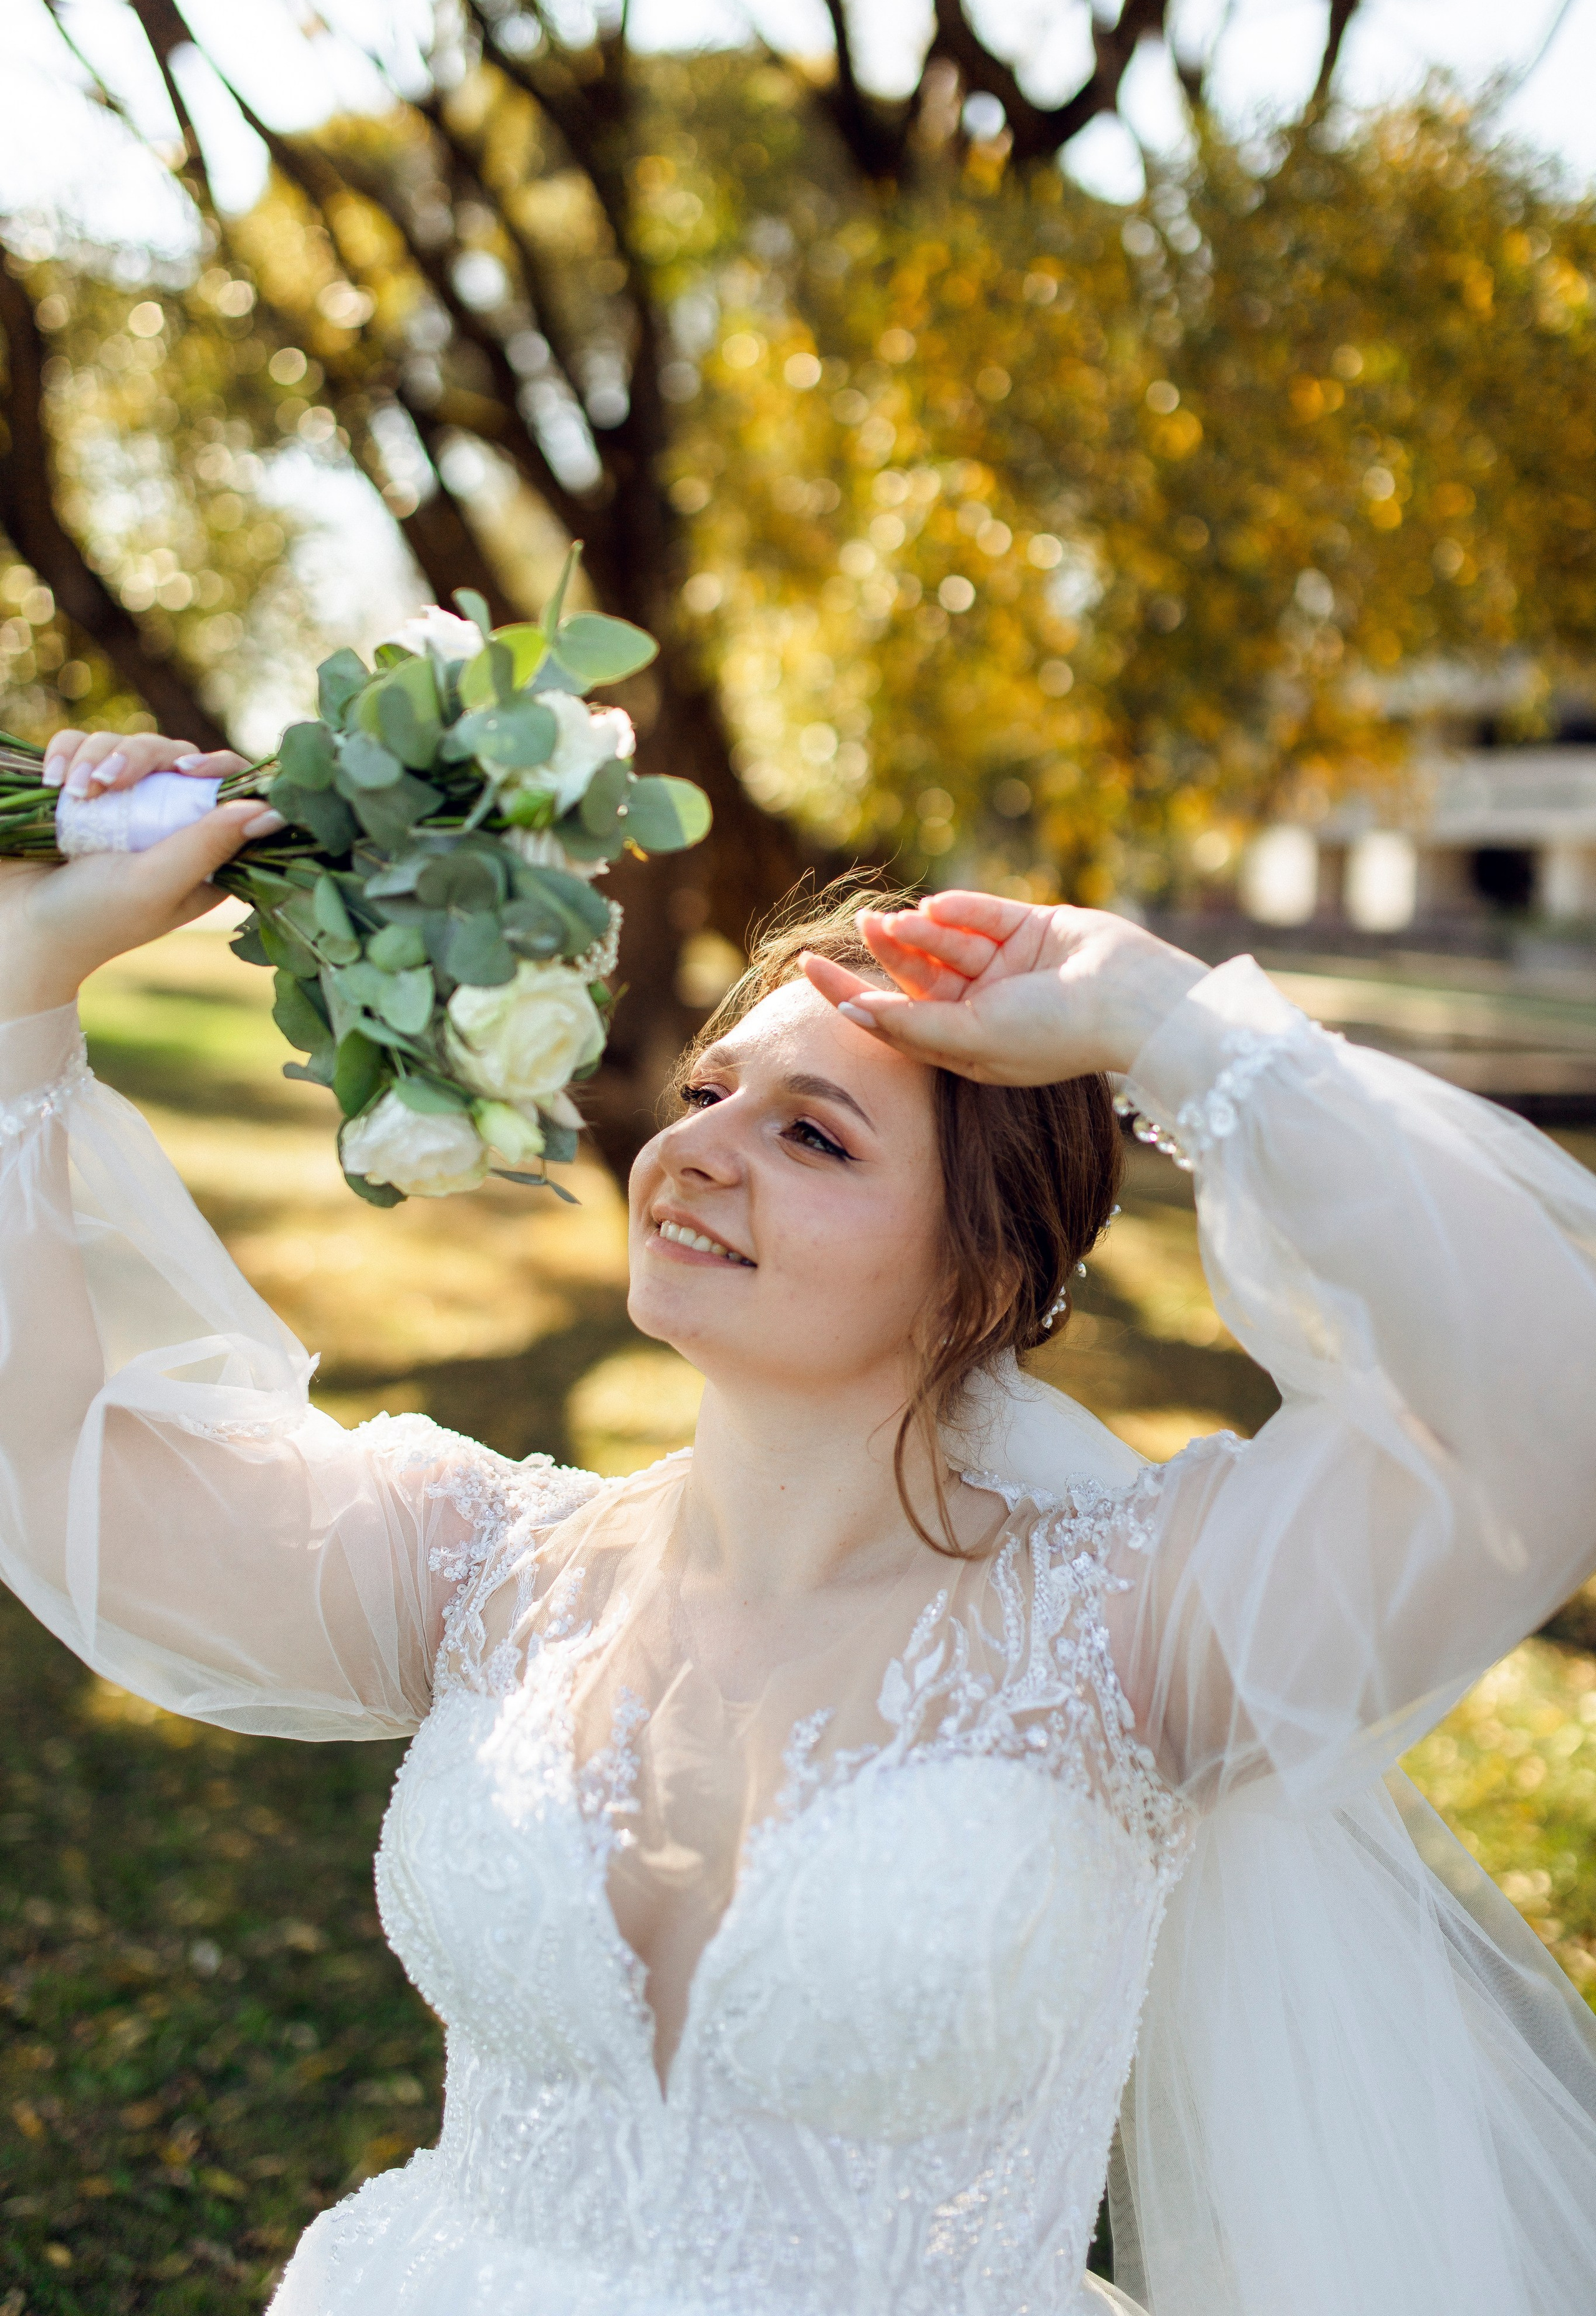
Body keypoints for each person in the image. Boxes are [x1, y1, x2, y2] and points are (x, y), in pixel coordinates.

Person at [2, 726, 1596, 2316]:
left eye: (811, 1135)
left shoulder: (1131, 1636)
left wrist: (1154, 1017)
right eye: (709, 1093)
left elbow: (1536, 1419)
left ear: (979, 1278)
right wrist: (29, 972)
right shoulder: (475, 1571)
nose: (692, 1151)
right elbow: (44, 1458)